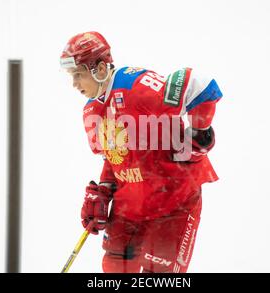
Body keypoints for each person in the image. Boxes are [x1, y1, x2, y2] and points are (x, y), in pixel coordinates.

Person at [60, 31, 223, 273]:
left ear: (100, 69)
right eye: (71, 76)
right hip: (130, 208)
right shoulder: (91, 110)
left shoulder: (136, 86)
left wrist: (200, 134)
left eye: (79, 75)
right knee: (116, 270)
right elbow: (114, 158)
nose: (74, 84)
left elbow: (201, 85)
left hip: (172, 203)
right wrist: (104, 191)